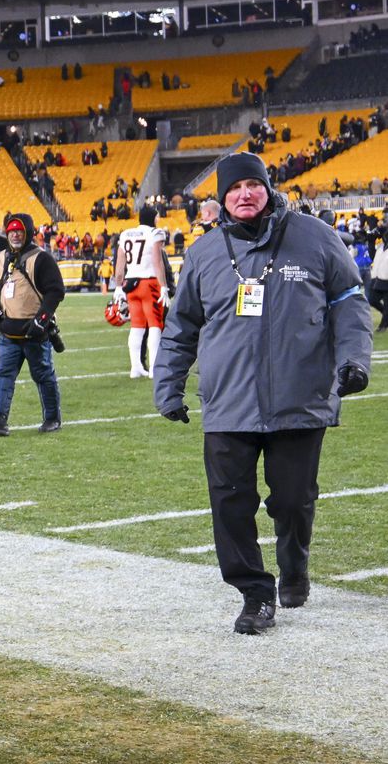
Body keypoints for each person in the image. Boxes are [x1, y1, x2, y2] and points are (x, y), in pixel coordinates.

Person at [154, 152, 372, 635]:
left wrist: (353, 361)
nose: (244, 195)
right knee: (230, 503)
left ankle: (295, 566)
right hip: (228, 402)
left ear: (268, 188)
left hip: (299, 398)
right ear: (221, 199)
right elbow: (182, 324)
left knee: (293, 500)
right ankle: (255, 593)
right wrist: (168, 385)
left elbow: (349, 303)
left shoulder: (314, 236)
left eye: (253, 185)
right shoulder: (205, 252)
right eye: (234, 189)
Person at [0, 213, 65, 436]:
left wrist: (41, 320)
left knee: (43, 375)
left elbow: (56, 291)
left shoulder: (41, 258)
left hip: (34, 332)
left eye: (19, 231)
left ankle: (52, 418)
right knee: (3, 374)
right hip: (7, 331)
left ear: (28, 233)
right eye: (11, 231)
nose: (14, 234)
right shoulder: (3, 256)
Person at [114, 205, 170, 379]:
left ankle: (135, 367)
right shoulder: (155, 233)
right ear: (153, 218)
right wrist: (163, 286)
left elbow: (120, 263)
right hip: (149, 282)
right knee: (155, 325)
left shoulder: (125, 234)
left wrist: (117, 286)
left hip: (130, 284)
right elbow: (157, 262)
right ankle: (154, 367)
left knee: (137, 326)